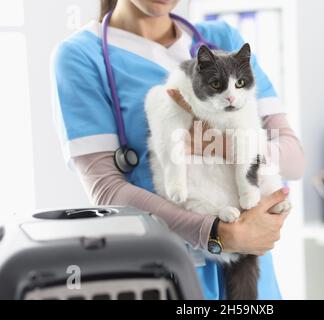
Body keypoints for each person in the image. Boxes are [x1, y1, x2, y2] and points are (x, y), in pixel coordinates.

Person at [51, 0, 305, 299]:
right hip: (163, 277)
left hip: (253, 282)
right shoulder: (81, 56)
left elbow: (294, 160)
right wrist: (215, 233)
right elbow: (106, 189)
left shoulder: (224, 40)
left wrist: (227, 147)